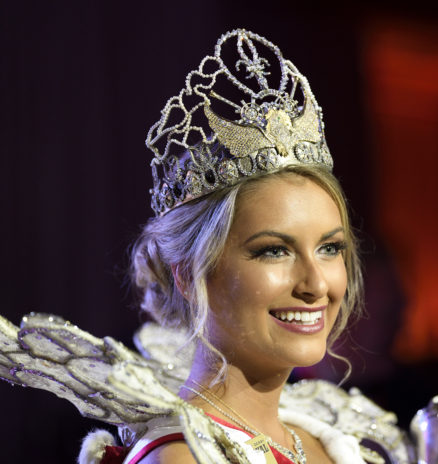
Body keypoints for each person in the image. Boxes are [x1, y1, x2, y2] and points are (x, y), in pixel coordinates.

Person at [0, 29, 412, 464]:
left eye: (330, 248)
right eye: (274, 250)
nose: (316, 283)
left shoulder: (334, 441)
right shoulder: (182, 456)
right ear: (190, 274)